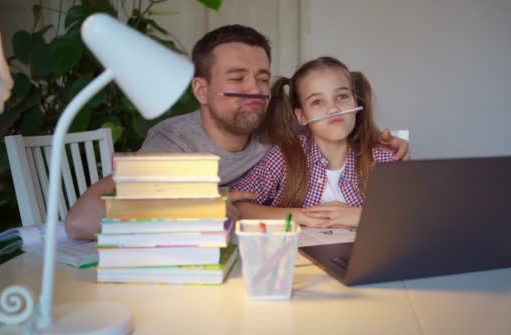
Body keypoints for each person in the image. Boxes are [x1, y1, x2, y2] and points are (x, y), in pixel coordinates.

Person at [65, 25, 410, 240]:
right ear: (201, 91)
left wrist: (384, 140)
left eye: (262, 78)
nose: (255, 90)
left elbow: (334, 119)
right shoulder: (172, 144)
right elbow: (81, 222)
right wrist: (202, 207)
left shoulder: (279, 123)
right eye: (236, 78)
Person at [231, 57, 395, 228]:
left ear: (355, 102)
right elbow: (237, 205)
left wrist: (361, 216)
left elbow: (409, 217)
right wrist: (299, 216)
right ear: (302, 116)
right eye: (317, 102)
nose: (333, 109)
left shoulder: (382, 160)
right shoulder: (285, 156)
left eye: (342, 96)